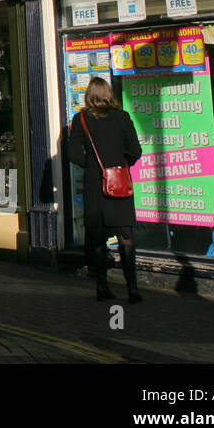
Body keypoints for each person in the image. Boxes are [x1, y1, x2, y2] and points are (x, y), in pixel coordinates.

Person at [68, 77, 143, 302]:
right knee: (126, 236)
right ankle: (133, 288)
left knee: (99, 237)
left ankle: (102, 285)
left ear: (89, 96)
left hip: (95, 184)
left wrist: (91, 165)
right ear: (108, 94)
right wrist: (120, 164)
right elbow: (136, 150)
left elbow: (73, 154)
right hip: (119, 181)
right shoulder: (122, 117)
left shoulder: (80, 119)